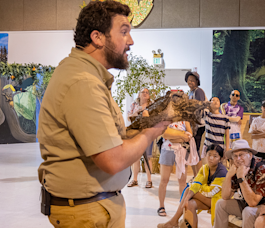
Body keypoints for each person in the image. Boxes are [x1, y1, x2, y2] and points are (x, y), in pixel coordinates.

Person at [37, 2, 171, 227]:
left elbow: (112, 138)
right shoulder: (83, 82)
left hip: (93, 208)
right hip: (87, 212)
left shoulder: (85, 76)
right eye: (124, 32)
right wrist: (151, 132)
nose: (130, 41)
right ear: (97, 37)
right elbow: (112, 159)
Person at [213, 140, 265, 228]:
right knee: (220, 204)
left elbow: (253, 203)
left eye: (241, 155)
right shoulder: (238, 168)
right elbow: (225, 196)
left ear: (250, 155)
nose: (238, 159)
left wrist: (241, 178)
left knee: (247, 211)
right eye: (235, 156)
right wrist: (229, 176)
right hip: (248, 204)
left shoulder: (263, 169)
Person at [157, 144, 227, 228]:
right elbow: (196, 183)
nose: (211, 158)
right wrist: (187, 198)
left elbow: (211, 192)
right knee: (190, 203)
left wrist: (196, 190)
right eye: (209, 155)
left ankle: (173, 221)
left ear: (220, 158)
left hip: (217, 201)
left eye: (215, 156)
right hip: (208, 200)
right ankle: (176, 222)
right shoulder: (205, 168)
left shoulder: (222, 172)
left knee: (189, 190)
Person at [158, 121, 192, 217]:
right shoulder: (166, 119)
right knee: (164, 180)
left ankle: (183, 206)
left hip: (182, 151)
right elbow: (164, 134)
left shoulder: (185, 120)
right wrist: (181, 136)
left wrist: (172, 136)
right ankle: (161, 206)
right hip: (166, 150)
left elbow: (189, 136)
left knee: (182, 181)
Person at [127, 88, 154, 188]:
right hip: (136, 133)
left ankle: (149, 180)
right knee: (136, 157)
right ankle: (134, 179)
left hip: (148, 133)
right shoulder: (134, 105)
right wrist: (136, 112)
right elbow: (129, 117)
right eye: (143, 92)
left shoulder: (152, 106)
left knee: (148, 157)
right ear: (139, 94)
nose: (145, 94)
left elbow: (155, 119)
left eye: (147, 92)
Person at [185, 71, 206, 176]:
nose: (190, 82)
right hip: (192, 125)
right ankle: (196, 175)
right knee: (193, 150)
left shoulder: (198, 91)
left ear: (197, 82)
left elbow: (199, 107)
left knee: (196, 150)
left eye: (193, 80)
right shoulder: (190, 93)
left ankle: (199, 176)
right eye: (189, 80)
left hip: (198, 125)